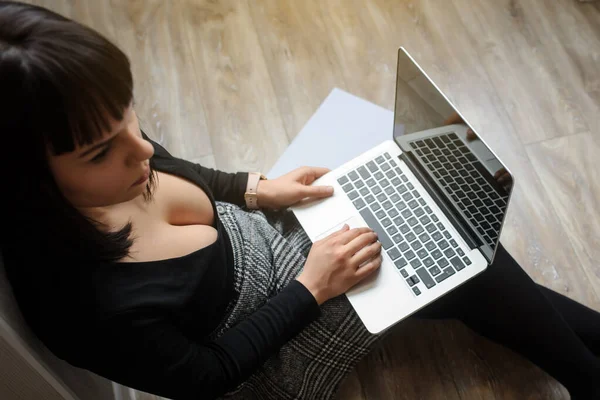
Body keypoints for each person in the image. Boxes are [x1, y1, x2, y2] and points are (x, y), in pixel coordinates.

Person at [0, 2, 599, 399]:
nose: (143, 152)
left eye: (130, 115)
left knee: (444, 248)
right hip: (269, 346)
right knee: (462, 251)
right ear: (27, 176)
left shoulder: (112, 144)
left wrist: (255, 189)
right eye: (104, 151)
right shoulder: (80, 304)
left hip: (268, 247)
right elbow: (210, 377)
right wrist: (311, 288)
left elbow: (178, 165)